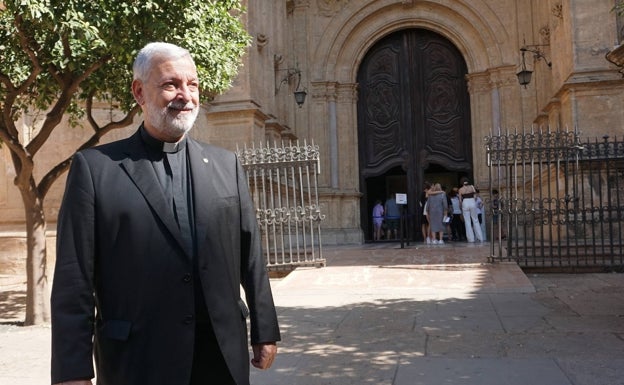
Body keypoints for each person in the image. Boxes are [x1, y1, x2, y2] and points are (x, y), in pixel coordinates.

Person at [51, 42, 281, 385]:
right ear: (139, 92)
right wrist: (73, 370)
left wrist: (265, 328)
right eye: (171, 84)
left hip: (218, 356)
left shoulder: (225, 164)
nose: (185, 95)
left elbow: (251, 254)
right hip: (138, 360)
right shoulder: (96, 169)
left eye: (193, 84)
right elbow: (74, 278)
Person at [458, 177, 483, 242]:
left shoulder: (460, 189)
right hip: (472, 202)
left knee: (467, 221)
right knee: (475, 220)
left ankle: (471, 239)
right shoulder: (472, 187)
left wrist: (460, 207)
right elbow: (475, 197)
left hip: (465, 202)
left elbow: (460, 200)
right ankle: (480, 237)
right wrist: (473, 202)